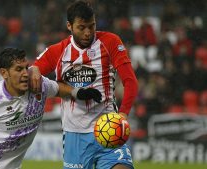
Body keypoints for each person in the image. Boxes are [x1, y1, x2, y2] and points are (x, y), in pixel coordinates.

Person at [30, 1, 138, 169]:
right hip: (75, 135)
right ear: (69, 26)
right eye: (82, 27)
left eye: (91, 26)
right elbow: (33, 71)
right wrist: (34, 69)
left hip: (108, 126)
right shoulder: (58, 51)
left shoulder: (110, 42)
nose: (88, 33)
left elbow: (130, 80)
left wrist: (123, 113)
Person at [0, 47, 102, 169]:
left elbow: (58, 89)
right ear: (4, 73)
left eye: (26, 67)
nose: (25, 74)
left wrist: (79, 92)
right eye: (18, 69)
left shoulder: (38, 85)